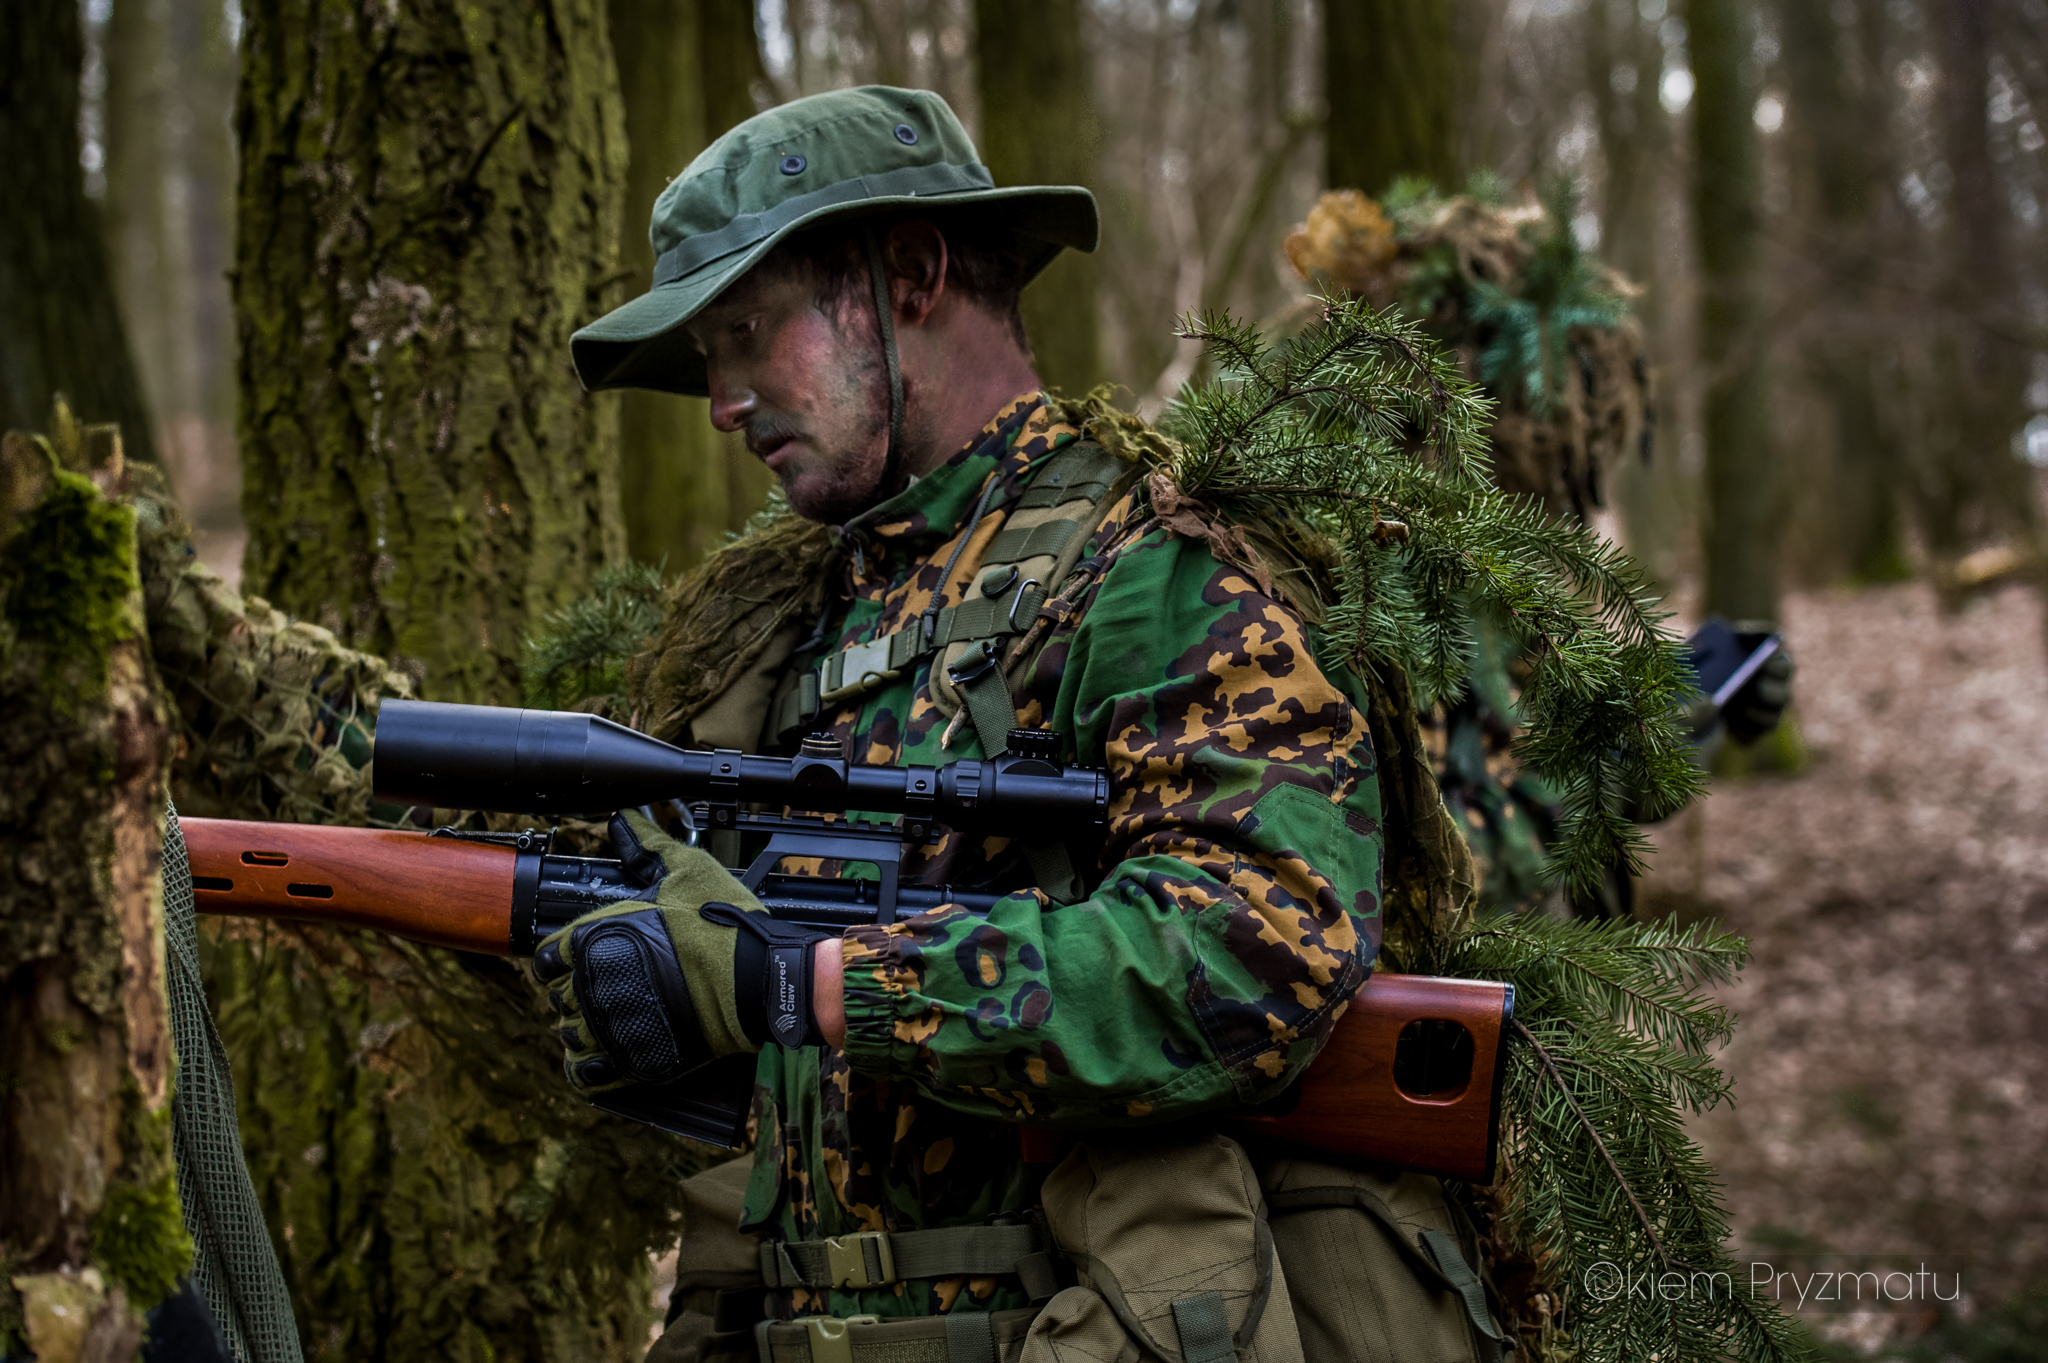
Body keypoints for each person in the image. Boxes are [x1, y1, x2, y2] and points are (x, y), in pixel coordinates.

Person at [536, 89, 1506, 1362]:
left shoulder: (1147, 569)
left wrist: (823, 986)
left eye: (745, 333)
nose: (720, 400)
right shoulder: (805, 618)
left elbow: (1262, 940)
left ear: (911, 272)